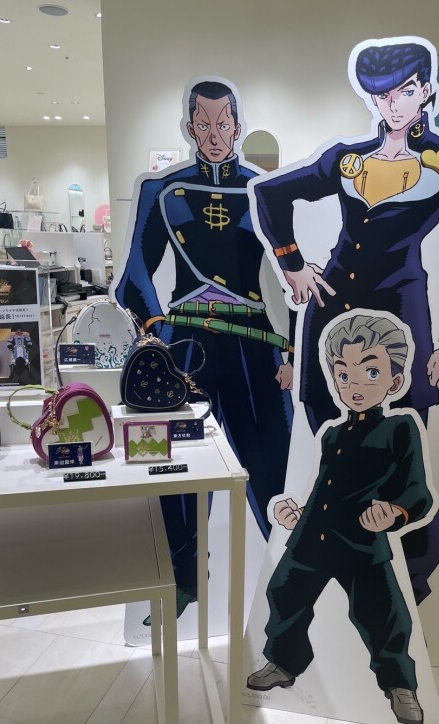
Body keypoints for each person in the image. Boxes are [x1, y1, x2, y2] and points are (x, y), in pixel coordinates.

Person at [251, 39, 439, 602]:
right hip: (330, 309)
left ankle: (408, 573)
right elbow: (270, 194)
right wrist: (291, 264)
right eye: (382, 95)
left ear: (425, 90)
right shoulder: (346, 158)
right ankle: (328, 550)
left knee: (403, 436)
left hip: (403, 316)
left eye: (404, 91)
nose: (393, 104)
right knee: (326, 429)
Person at [114, 78, 293, 619]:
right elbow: (134, 275)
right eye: (204, 123)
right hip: (187, 345)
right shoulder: (162, 190)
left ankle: (292, 589)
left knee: (274, 463)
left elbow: (295, 275)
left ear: (237, 127)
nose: (214, 134)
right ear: (190, 126)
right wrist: (156, 327)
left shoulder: (266, 189)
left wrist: (293, 351)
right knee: (178, 469)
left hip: (254, 345)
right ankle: (183, 582)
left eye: (224, 123)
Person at [247, 314, 434, 724]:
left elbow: (418, 493)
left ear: (395, 381)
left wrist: (395, 512)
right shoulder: (332, 433)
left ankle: (399, 684)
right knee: (284, 593)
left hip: (362, 542)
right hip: (312, 535)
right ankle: (283, 662)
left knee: (384, 614)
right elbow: (325, 487)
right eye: (344, 375)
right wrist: (297, 512)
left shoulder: (400, 428)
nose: (355, 385)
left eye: (371, 372)